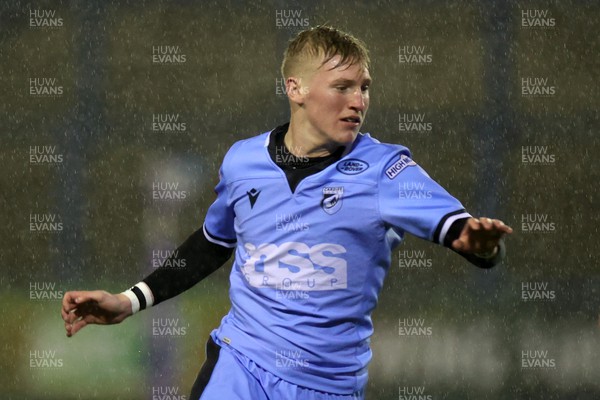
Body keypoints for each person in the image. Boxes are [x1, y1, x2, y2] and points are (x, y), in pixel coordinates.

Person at [62, 25, 513, 400]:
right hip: (241, 366)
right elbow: (212, 243)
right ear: (295, 88)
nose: (358, 101)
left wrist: (480, 246)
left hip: (327, 386)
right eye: (342, 87)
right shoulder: (243, 162)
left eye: (364, 88)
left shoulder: (386, 170)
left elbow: (459, 230)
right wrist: (128, 300)